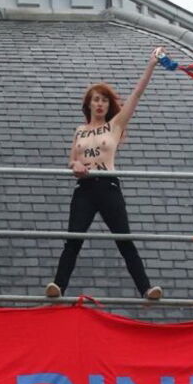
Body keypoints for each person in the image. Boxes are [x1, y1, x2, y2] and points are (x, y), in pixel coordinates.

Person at [44, 48, 165, 300]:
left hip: (108, 185)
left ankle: (146, 288)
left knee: (124, 238)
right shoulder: (80, 130)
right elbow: (72, 160)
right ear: (88, 104)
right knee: (73, 238)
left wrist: (151, 65)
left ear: (109, 105)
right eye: (96, 99)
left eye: (104, 100)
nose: (100, 104)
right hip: (85, 188)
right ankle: (58, 285)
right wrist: (74, 166)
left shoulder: (115, 125)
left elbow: (136, 95)